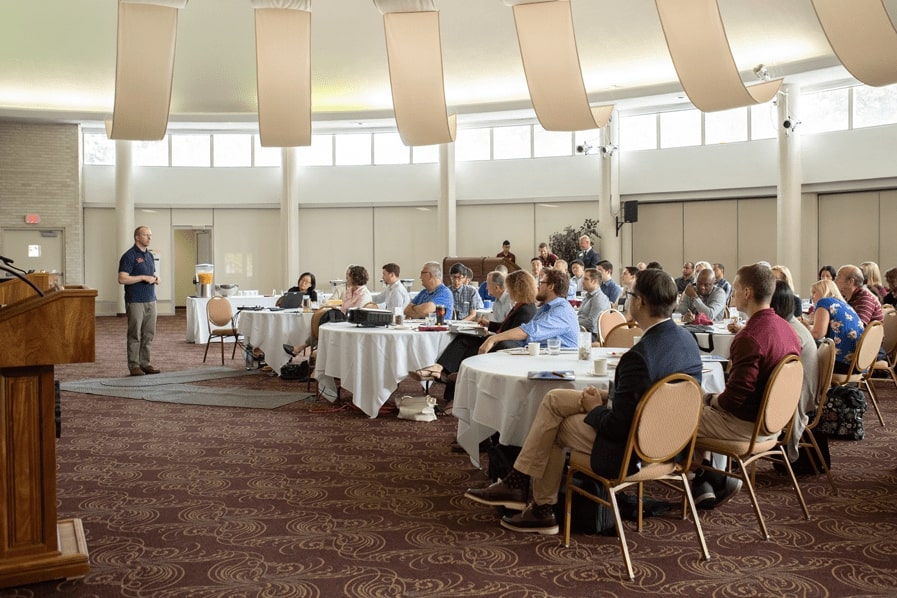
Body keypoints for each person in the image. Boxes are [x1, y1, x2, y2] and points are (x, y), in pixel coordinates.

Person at [464, 268, 703, 534]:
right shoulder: (687, 340)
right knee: (554, 400)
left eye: (631, 295)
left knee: (554, 426)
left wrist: (596, 408)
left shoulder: (639, 356)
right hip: (673, 443)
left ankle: (539, 506)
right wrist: (605, 397)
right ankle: (521, 487)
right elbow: (652, 396)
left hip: (632, 449)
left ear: (640, 302)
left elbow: (617, 426)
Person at [692, 263, 802, 509]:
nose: (733, 294)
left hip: (744, 426)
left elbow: (733, 400)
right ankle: (709, 480)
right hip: (774, 423)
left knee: (676, 416)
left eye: (737, 288)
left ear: (748, 293)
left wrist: (710, 399)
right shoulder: (788, 330)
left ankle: (705, 478)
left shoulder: (749, 336)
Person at [409, 270, 538, 402]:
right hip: (499, 339)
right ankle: (439, 370)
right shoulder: (521, 306)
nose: (508, 291)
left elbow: (515, 333)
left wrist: (492, 336)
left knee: (466, 345)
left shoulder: (526, 309)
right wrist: (489, 324)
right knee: (463, 337)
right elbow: (507, 326)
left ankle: (443, 375)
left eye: (509, 288)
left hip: (506, 345)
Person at [770, 280, 818, 463]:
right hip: (801, 390)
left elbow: (773, 373)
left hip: (796, 398)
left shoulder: (789, 333)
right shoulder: (793, 326)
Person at [478, 268, 579, 353]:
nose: (538, 287)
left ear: (551, 286)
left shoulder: (562, 311)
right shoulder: (545, 308)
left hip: (557, 362)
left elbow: (530, 330)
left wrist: (493, 338)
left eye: (541, 283)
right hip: (541, 355)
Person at [118, 226, 160, 376]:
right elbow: (122, 278)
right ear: (137, 237)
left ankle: (145, 363)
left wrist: (155, 277)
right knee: (135, 333)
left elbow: (151, 272)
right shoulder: (129, 256)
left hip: (151, 299)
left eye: (150, 235)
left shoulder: (149, 255)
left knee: (149, 333)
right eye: (146, 235)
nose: (149, 238)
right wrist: (142, 277)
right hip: (135, 300)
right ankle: (134, 365)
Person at [803, 279, 863, 373]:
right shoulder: (843, 304)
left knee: (804, 349)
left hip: (841, 363)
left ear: (824, 291)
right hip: (858, 363)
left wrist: (803, 327)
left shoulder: (824, 302)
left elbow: (817, 334)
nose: (812, 296)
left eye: (814, 292)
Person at [577, 268, 611, 339]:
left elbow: (591, 323)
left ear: (594, 281)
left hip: (591, 335)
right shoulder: (588, 296)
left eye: (586, 279)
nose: (582, 281)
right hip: (582, 330)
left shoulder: (599, 298)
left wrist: (573, 320)